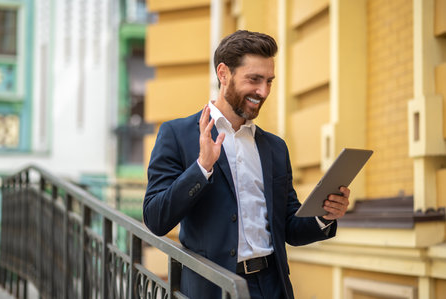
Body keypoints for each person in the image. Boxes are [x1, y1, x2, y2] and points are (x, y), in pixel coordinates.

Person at [143, 30, 350, 299]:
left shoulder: (275, 148)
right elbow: (156, 218)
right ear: (223, 73)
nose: (263, 91)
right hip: (214, 288)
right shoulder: (177, 134)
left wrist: (324, 216)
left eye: (269, 82)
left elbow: (289, 227)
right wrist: (202, 168)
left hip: (272, 286)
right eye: (254, 79)